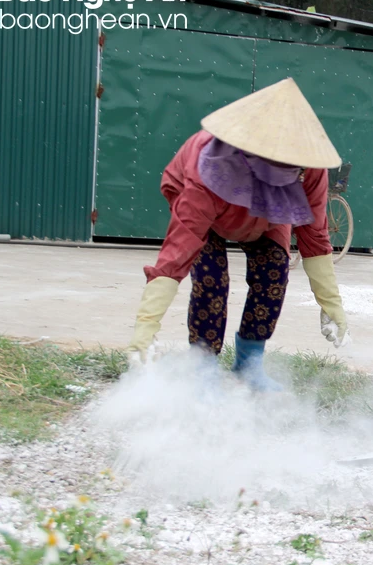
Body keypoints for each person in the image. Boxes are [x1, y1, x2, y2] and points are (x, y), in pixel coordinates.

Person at [127, 78, 350, 391]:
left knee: (274, 269)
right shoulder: (206, 168)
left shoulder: (310, 171)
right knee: (210, 277)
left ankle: (249, 362)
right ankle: (202, 366)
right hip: (213, 205)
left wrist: (332, 305)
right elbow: (178, 251)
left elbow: (314, 239)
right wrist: (145, 328)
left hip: (267, 220)